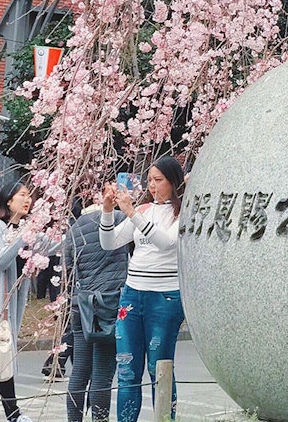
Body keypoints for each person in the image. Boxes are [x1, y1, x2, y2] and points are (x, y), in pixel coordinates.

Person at [100, 157, 186, 422]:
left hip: (165, 297)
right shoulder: (145, 210)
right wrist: (106, 210)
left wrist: (131, 213)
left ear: (174, 182)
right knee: (126, 368)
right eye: (149, 180)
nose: (152, 186)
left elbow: (166, 242)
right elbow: (109, 242)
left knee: (158, 368)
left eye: (158, 180)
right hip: (132, 294)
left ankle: (164, 418)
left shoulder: (182, 212)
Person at [0, 181, 56, 422]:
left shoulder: (26, 231)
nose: (27, 199)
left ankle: (13, 414)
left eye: (29, 195)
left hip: (11, 306)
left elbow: (55, 247)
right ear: (8, 201)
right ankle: (13, 414)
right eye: (22, 195)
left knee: (0, 356)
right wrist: (23, 236)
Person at [66, 195, 129, 422]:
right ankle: (99, 420)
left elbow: (68, 270)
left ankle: (74, 420)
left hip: (80, 305)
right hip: (108, 305)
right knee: (102, 373)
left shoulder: (74, 229)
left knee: (80, 371)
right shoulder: (120, 218)